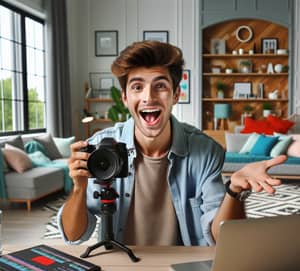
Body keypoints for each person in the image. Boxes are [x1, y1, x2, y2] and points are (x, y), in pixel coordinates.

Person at [57, 40, 286, 246]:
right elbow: (74, 236)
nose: (149, 97)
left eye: (160, 86)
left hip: (183, 269)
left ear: (176, 94)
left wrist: (234, 191)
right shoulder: (100, 147)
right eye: (137, 87)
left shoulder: (206, 151)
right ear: (125, 98)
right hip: (122, 266)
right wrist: (79, 188)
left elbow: (223, 239)